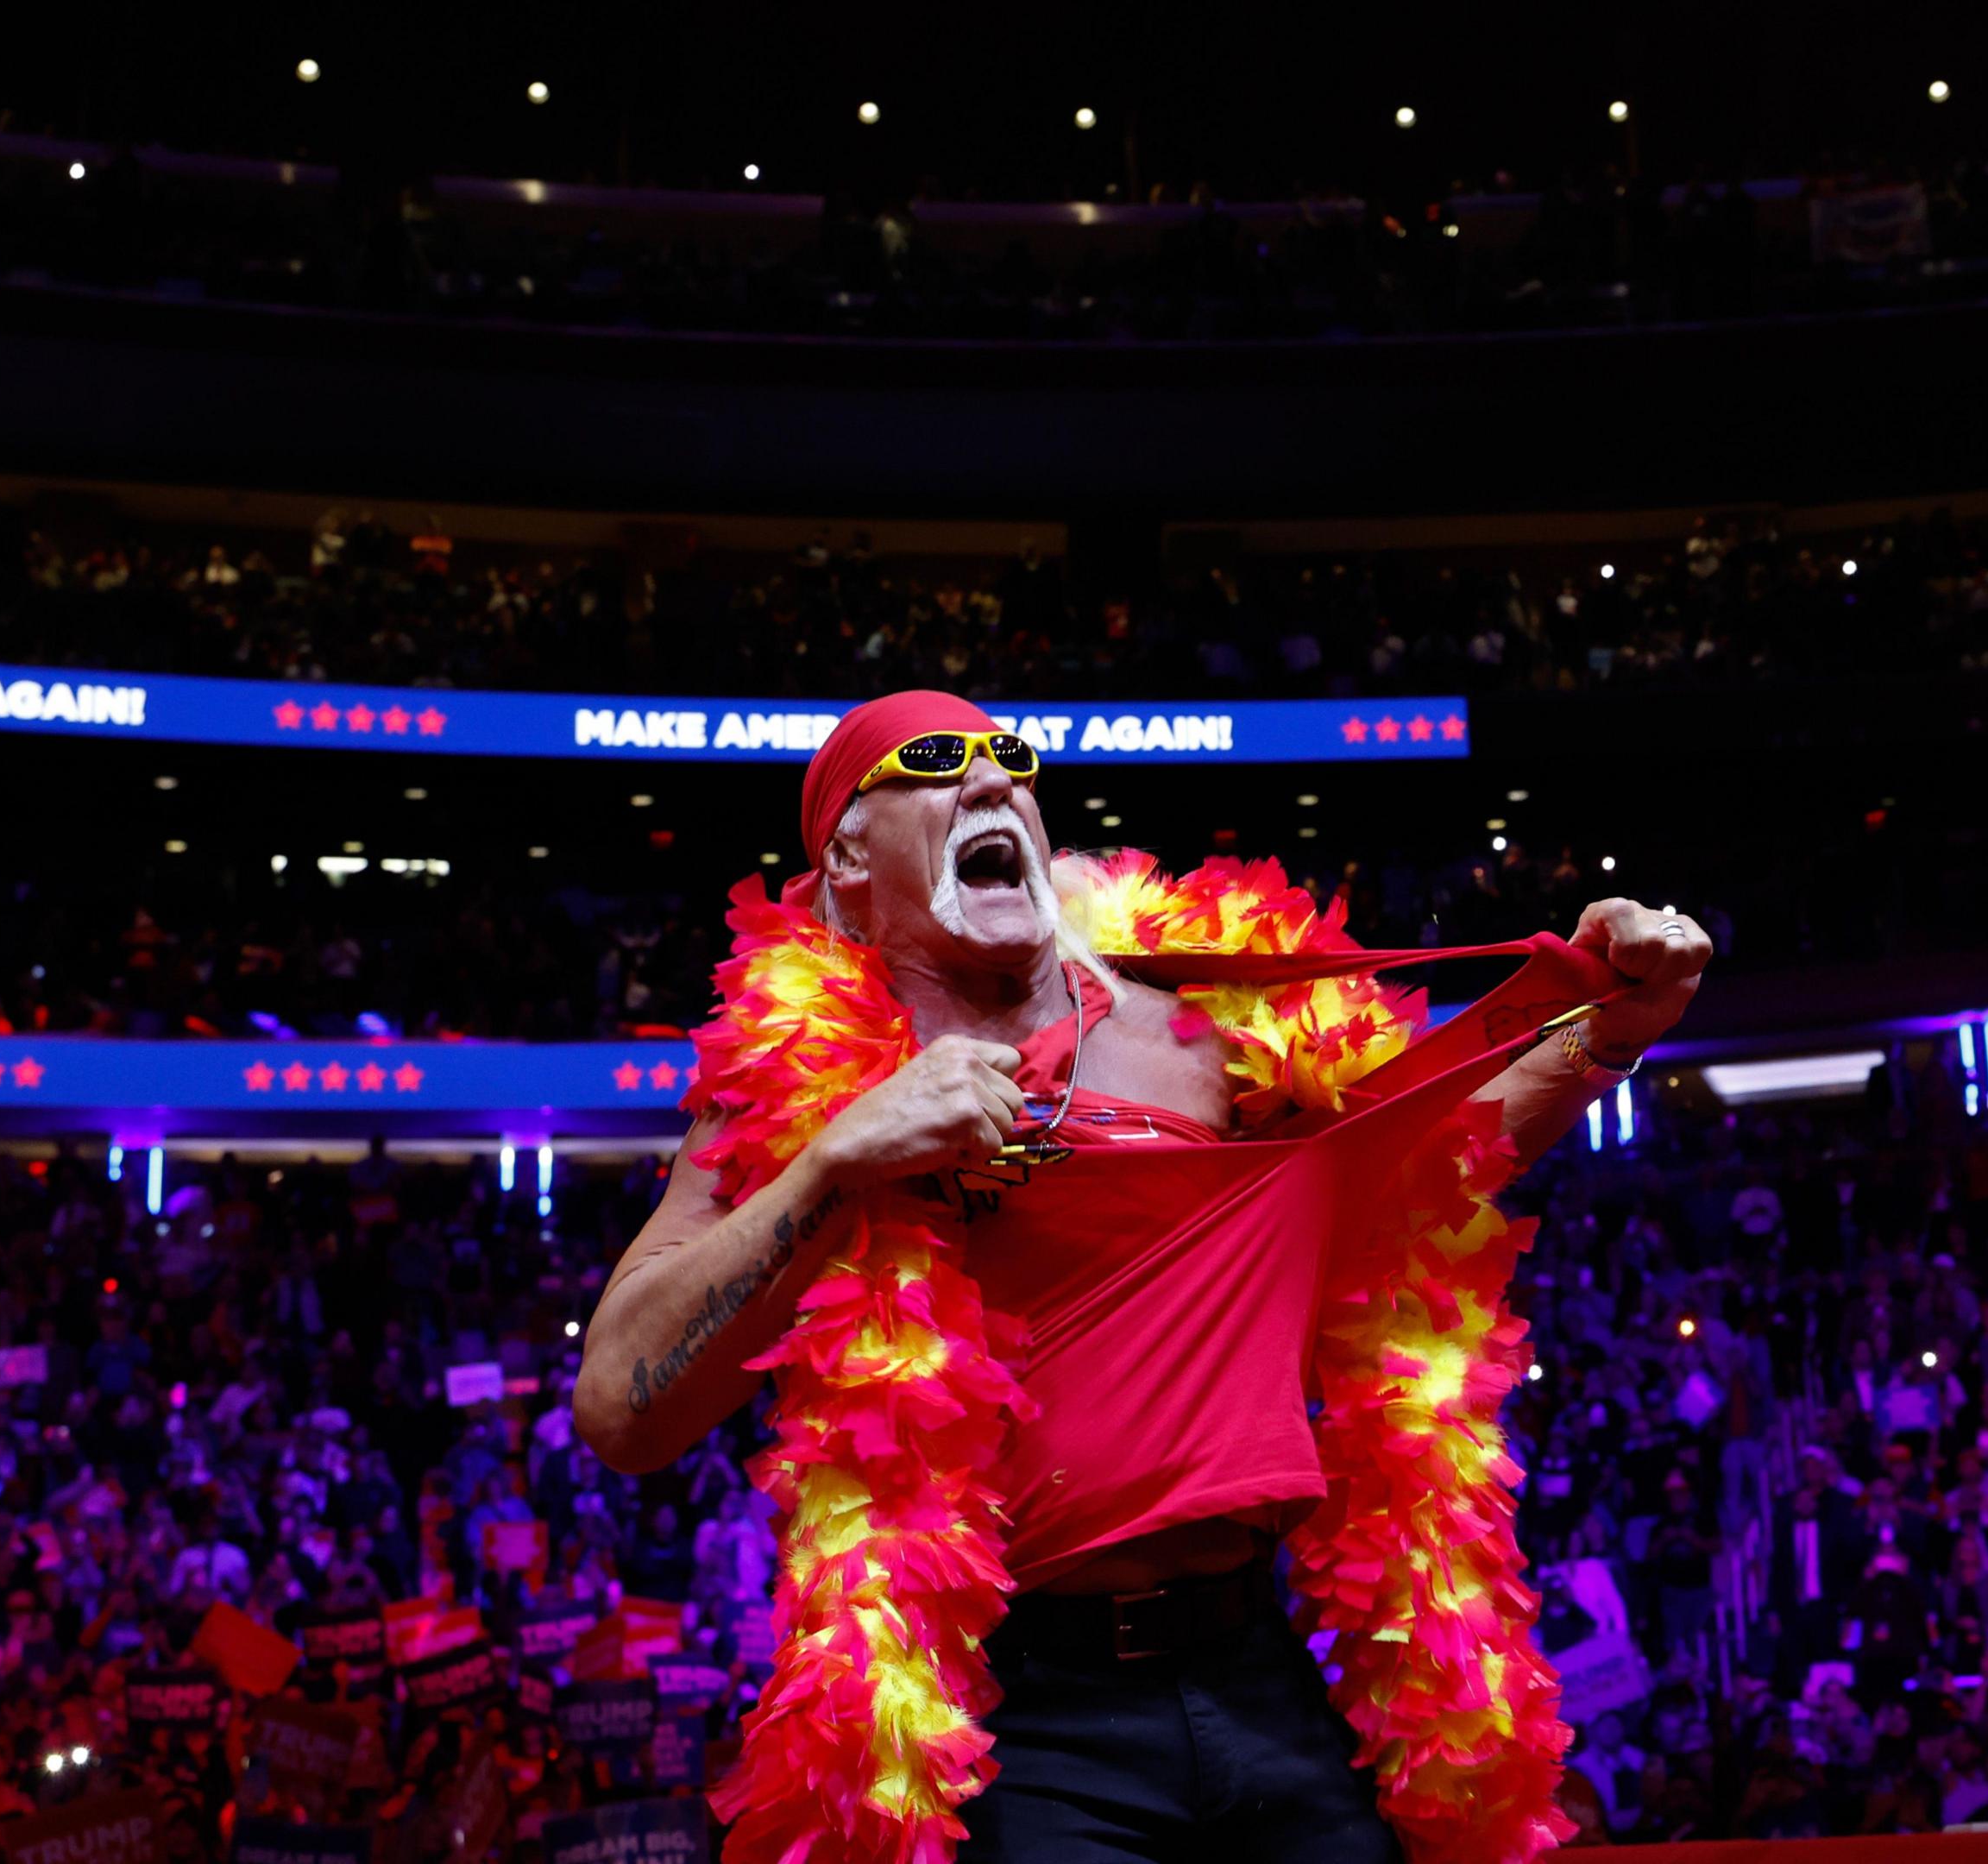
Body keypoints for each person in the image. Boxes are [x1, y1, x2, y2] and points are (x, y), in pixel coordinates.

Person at [572, 692, 1711, 1864]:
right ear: (846, 868)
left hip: (1256, 1670)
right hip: (1018, 1720)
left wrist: (1612, 1030)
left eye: (1011, 760)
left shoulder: (1198, 1038)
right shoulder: (794, 1091)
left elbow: (1423, 1170)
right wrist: (838, 1159)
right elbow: (620, 1405)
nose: (989, 780)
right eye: (931, 762)